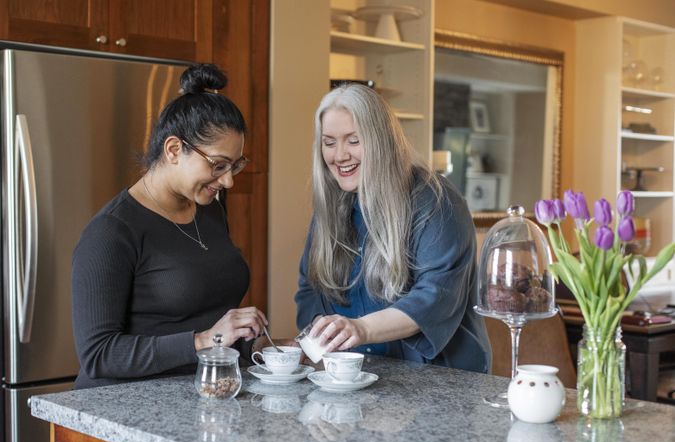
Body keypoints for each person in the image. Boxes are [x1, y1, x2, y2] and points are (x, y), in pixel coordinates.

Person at [72, 64, 268, 389]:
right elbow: (98, 354)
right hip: (119, 407)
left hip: (199, 392)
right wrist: (206, 339)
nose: (229, 180)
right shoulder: (111, 232)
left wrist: (256, 347)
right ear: (174, 149)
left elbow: (206, 316)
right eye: (218, 165)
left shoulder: (209, 211)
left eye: (235, 166)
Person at [295, 84, 491, 372]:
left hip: (437, 380)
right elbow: (311, 290)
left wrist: (360, 329)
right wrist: (321, 340)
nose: (339, 156)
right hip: (355, 374)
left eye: (353, 140)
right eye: (329, 142)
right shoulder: (333, 205)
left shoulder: (436, 201)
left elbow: (435, 297)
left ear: (381, 140)